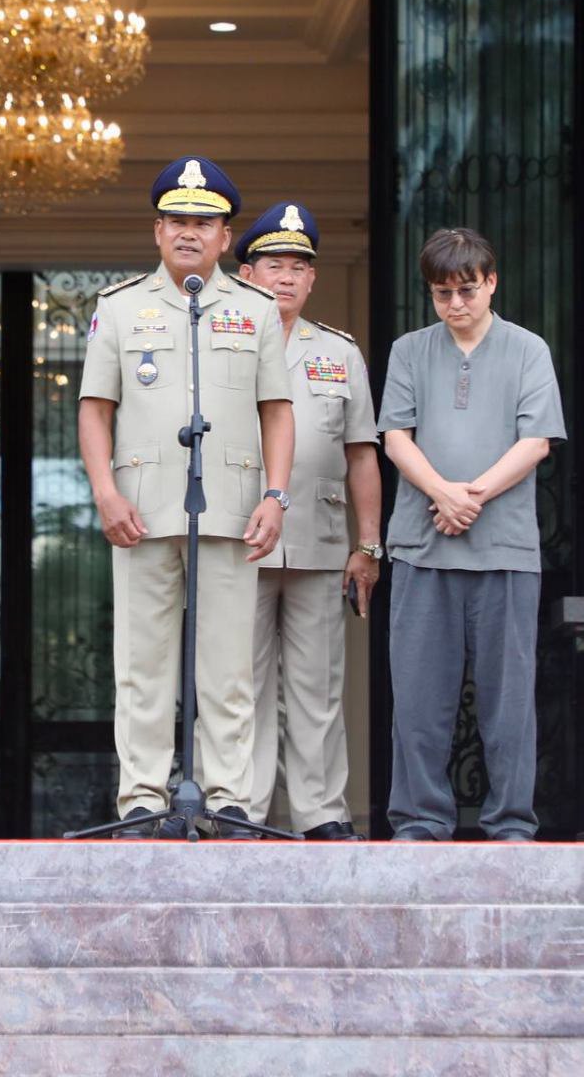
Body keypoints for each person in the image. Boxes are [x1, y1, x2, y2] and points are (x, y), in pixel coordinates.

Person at [79, 156, 294, 838]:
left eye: (203, 222)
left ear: (225, 236)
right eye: (176, 220)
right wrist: (105, 491)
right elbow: (95, 409)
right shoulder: (118, 307)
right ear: (156, 231)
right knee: (141, 667)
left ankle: (228, 801)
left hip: (229, 508)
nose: (188, 232)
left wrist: (276, 494)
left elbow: (276, 411)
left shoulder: (256, 308)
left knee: (228, 669)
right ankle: (142, 800)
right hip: (140, 511)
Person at [378, 227, 566, 841]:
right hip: (422, 547)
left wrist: (469, 497)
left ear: (491, 282)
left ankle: (511, 825)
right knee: (417, 700)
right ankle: (419, 822)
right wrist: (442, 493)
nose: (455, 303)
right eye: (442, 293)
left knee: (508, 701)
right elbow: (395, 438)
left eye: (467, 290)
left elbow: (536, 442)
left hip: (505, 549)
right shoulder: (409, 350)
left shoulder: (528, 349)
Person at [235, 202, 381, 841]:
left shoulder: (339, 352)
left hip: (320, 542)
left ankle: (321, 814)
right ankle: (240, 810)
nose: (287, 277)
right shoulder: (223, 341)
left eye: (299, 266)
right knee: (239, 685)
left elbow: (361, 454)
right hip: (239, 540)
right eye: (275, 265)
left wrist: (368, 545)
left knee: (318, 687)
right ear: (246, 273)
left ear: (314, 278)